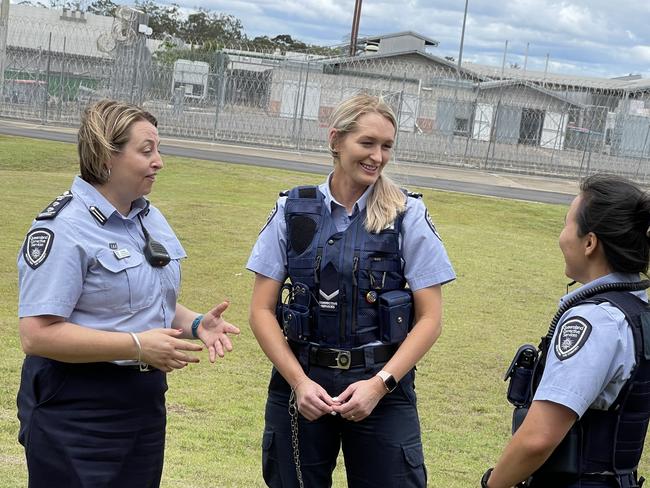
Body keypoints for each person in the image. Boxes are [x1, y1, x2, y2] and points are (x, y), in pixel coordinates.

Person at [16, 99, 240, 488]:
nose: (159, 161)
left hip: (142, 403)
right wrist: (136, 345)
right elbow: (36, 334)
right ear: (107, 156)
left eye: (158, 149)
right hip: (76, 406)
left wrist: (196, 324)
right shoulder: (63, 228)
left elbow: (143, 302)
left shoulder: (146, 217)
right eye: (146, 150)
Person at [247, 93, 456, 487]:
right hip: (303, 386)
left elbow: (430, 319)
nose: (378, 156)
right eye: (367, 143)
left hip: (382, 386)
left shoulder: (407, 215)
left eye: (387, 146)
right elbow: (261, 310)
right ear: (336, 140)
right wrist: (299, 383)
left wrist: (379, 386)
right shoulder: (292, 210)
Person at [482, 174, 650, 488]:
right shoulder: (638, 312)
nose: (561, 237)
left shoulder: (595, 321)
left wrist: (493, 485)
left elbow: (538, 438)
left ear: (589, 243)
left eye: (566, 225)